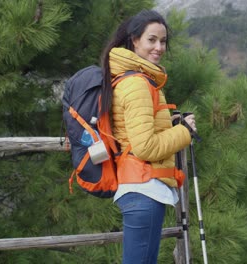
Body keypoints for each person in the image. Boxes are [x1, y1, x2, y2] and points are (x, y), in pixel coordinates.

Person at [100, 9, 197, 264]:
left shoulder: (131, 78)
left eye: (163, 41)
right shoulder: (137, 84)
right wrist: (184, 131)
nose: (159, 47)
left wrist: (172, 123)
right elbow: (144, 147)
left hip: (139, 188)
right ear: (134, 40)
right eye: (151, 40)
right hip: (144, 189)